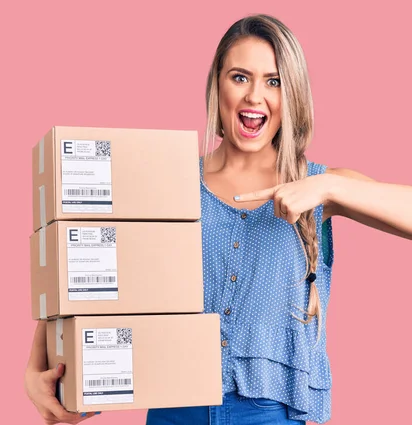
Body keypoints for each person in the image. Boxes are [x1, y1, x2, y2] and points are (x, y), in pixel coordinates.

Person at [24, 13, 412, 425]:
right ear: (217, 85)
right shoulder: (170, 181)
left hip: (270, 414)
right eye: (240, 77)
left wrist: (332, 189)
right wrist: (36, 369)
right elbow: (85, 281)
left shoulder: (321, 185)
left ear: (292, 93)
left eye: (274, 81)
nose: (255, 97)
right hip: (174, 409)